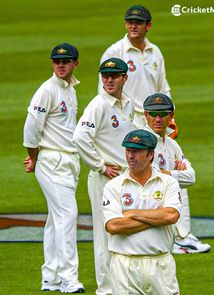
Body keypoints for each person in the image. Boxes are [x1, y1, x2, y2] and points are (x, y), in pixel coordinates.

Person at [23, 43, 84, 293]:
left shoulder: (70, 89)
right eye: (57, 61)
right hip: (52, 162)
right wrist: (34, 157)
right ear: (52, 64)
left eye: (66, 61)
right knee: (68, 216)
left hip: (68, 162)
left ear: (75, 64)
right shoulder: (47, 90)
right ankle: (69, 279)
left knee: (55, 220)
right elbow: (31, 128)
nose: (60, 65)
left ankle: (50, 277)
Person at [73, 58, 135, 295]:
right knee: (104, 233)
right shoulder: (98, 105)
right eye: (105, 76)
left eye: (115, 76)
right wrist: (100, 166)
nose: (109, 80)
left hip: (123, 177)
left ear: (124, 78)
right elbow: (80, 137)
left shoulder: (127, 103)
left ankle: (122, 286)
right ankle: (106, 290)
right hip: (104, 179)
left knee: (123, 232)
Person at [102, 129, 182, 295]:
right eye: (128, 150)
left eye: (137, 151)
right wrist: (156, 217)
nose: (130, 156)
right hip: (125, 265)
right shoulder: (113, 186)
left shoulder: (169, 183)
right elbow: (114, 226)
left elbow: (171, 215)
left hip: (161, 264)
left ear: (150, 155)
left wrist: (131, 213)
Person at [143, 92, 211, 254]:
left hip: (162, 202)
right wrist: (174, 174)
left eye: (163, 114)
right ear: (146, 115)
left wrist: (169, 174)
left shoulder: (172, 144)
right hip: (147, 202)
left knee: (176, 183)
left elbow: (191, 177)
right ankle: (179, 239)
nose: (157, 119)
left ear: (171, 116)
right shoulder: (143, 141)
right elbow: (150, 175)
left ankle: (181, 238)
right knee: (174, 183)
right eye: (153, 114)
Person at [99, 4, 178, 137]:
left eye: (138, 23)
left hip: (152, 117)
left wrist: (170, 115)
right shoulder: (114, 52)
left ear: (148, 26)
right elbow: (104, 90)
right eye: (130, 22)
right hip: (127, 117)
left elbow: (162, 87)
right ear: (125, 24)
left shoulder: (155, 52)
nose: (133, 26)